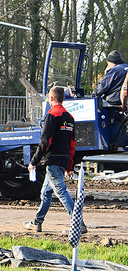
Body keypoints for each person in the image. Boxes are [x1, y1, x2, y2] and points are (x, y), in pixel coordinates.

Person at [24, 86, 86, 234]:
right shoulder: (69, 118)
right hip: (63, 160)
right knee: (45, 193)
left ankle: (79, 224)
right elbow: (72, 144)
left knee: (61, 192)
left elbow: (45, 141)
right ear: (63, 99)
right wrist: (70, 166)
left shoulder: (52, 115)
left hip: (52, 160)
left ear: (50, 99)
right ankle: (37, 223)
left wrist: (33, 161)